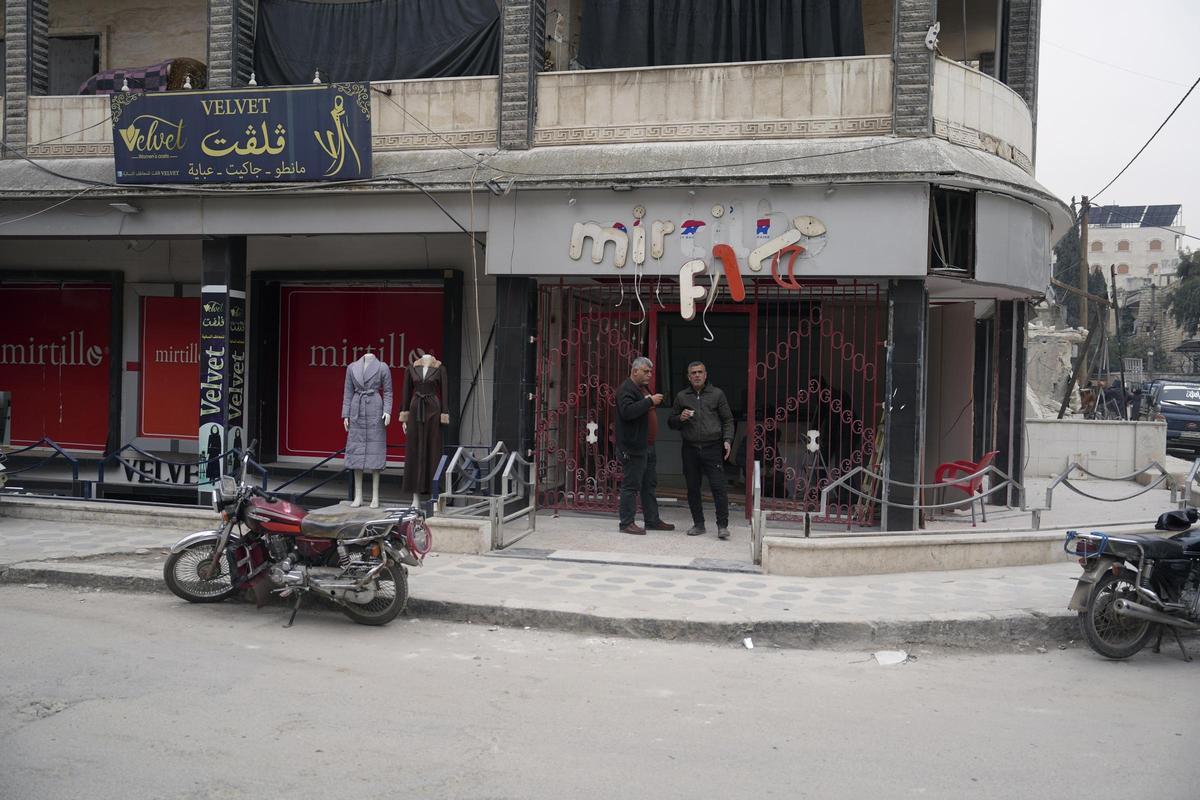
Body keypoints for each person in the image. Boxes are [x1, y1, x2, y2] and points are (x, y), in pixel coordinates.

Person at [668, 361, 734, 539]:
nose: (697, 375)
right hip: (690, 448)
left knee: (718, 488)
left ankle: (722, 526)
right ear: (689, 377)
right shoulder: (682, 396)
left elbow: (728, 420)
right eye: (693, 373)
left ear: (705, 375)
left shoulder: (717, 394)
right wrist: (679, 418)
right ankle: (698, 524)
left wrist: (727, 440)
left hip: (713, 447)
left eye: (700, 372)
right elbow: (671, 422)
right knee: (692, 488)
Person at [615, 357, 674, 535]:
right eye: (646, 371)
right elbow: (627, 412)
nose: (649, 375)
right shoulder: (626, 389)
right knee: (631, 486)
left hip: (647, 445)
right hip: (633, 447)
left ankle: (652, 520)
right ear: (635, 371)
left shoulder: (641, 388)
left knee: (649, 484)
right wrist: (649, 401)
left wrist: (649, 400)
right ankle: (626, 523)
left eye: (650, 371)